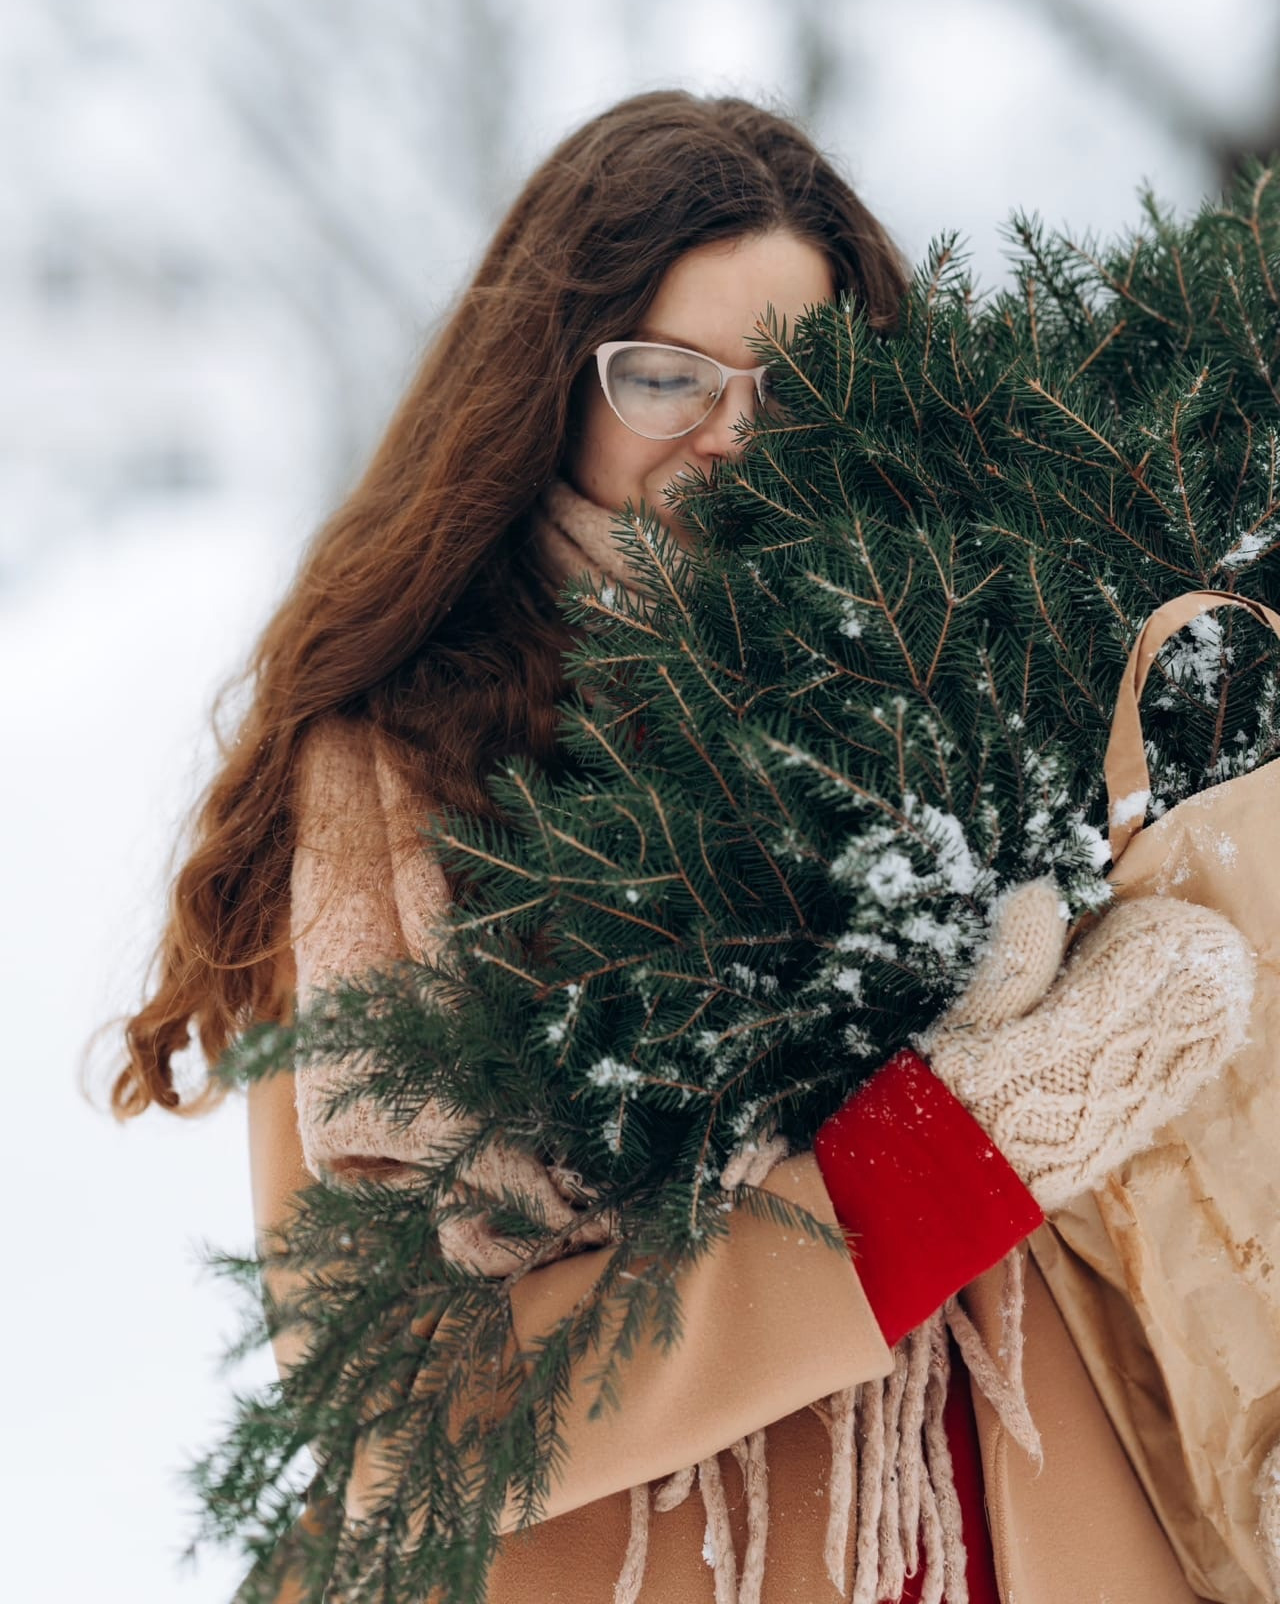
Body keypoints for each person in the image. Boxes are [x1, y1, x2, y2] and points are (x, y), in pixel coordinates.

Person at [109, 91, 1255, 1604]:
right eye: (665, 377)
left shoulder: (975, 677)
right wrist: (964, 1145)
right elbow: (406, 1416)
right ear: (551, 385)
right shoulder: (394, 776)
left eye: (796, 382)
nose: (731, 434)